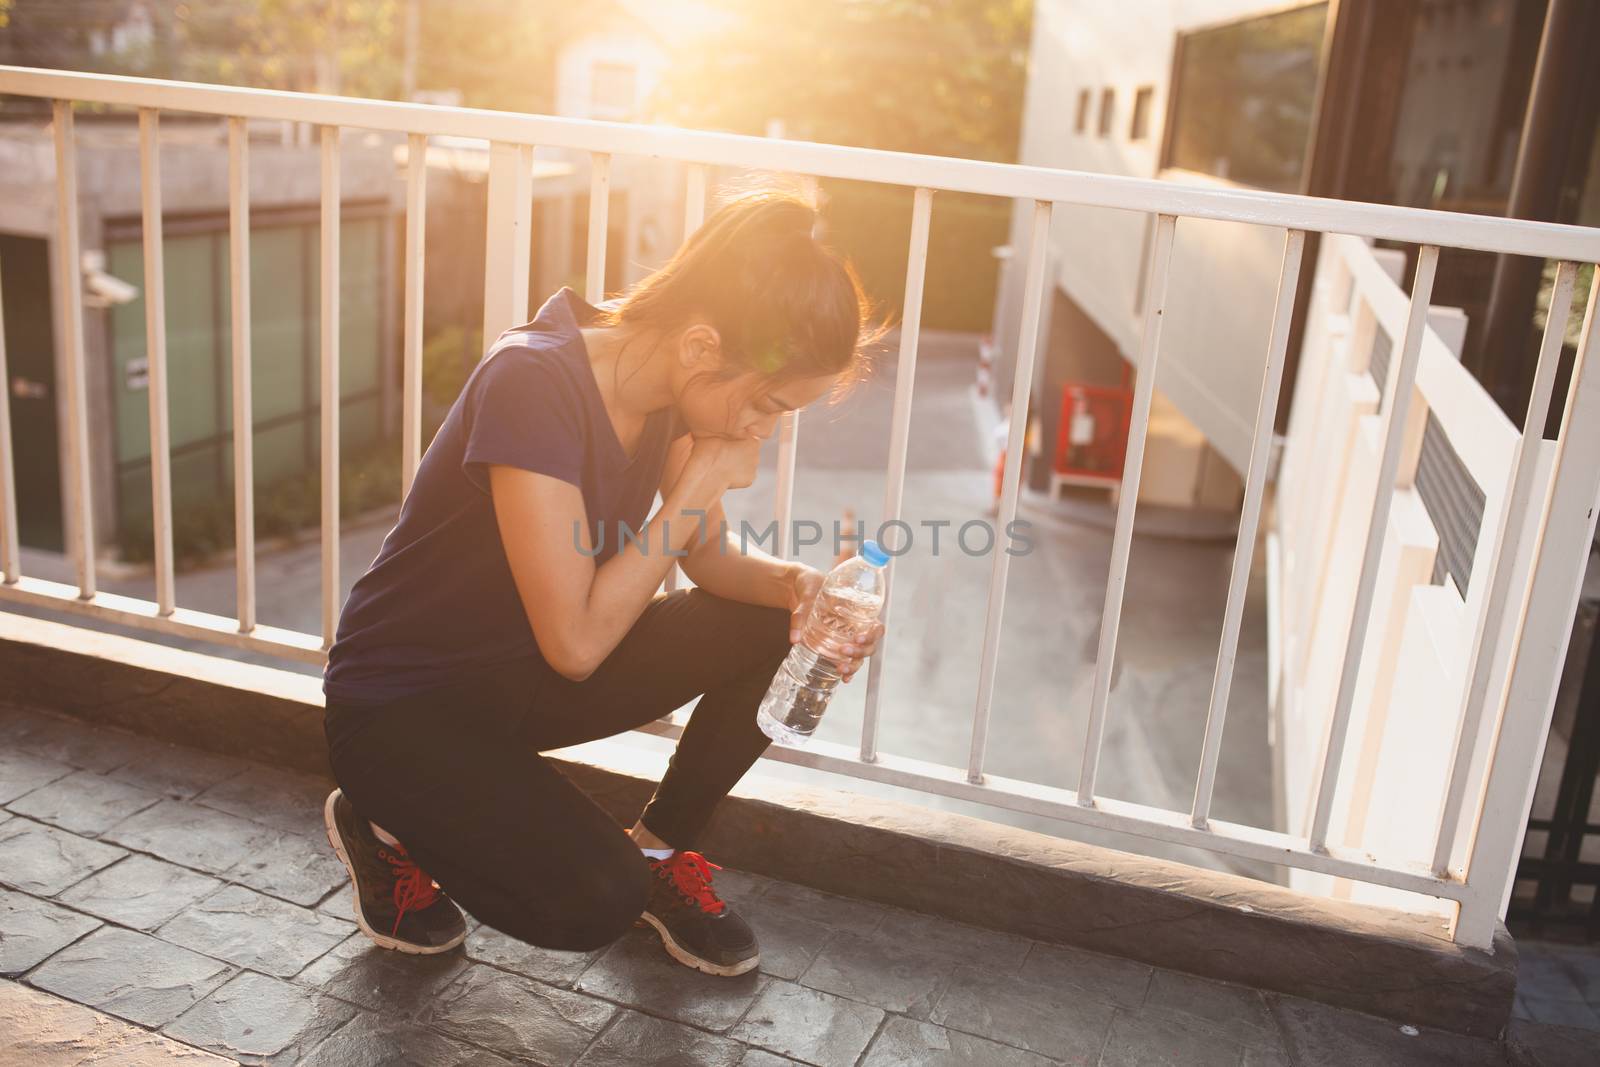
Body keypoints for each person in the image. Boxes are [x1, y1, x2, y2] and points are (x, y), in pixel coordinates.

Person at [319, 189, 884, 979]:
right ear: (699, 346)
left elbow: (712, 560)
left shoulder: (670, 385)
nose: (763, 428)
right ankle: (387, 822)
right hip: (406, 706)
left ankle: (657, 851)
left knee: (765, 622)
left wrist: (799, 588)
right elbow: (577, 644)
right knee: (591, 902)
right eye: (765, 403)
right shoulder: (534, 380)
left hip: (519, 678)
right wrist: (692, 489)